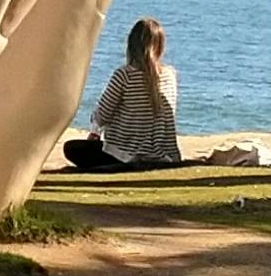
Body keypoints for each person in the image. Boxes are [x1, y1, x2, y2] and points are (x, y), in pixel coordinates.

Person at [63, 17, 182, 171]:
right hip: (165, 155)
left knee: (71, 148)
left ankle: (117, 165)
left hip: (125, 154)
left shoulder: (125, 75)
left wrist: (95, 131)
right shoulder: (170, 75)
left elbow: (102, 114)